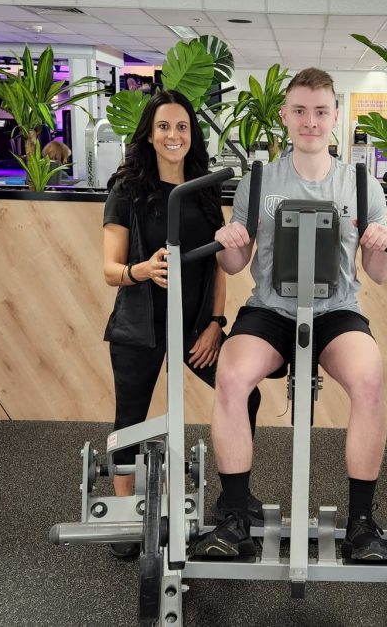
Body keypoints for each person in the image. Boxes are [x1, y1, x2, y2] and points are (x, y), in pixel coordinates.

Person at [189, 68, 387, 562]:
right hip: (270, 310)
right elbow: (234, 263)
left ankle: (361, 524)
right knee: (230, 375)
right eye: (301, 111)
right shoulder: (260, 179)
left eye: (321, 111)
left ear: (336, 117)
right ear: (286, 116)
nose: (310, 121)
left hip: (335, 312)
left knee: (370, 379)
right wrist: (228, 241)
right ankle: (234, 521)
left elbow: (378, 273)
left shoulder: (360, 182)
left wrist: (382, 245)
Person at [101, 90, 263, 557]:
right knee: (129, 419)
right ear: (149, 135)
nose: (174, 135)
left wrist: (216, 322)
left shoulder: (205, 187)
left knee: (246, 393)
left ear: (192, 136)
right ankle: (125, 514)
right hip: (141, 323)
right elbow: (109, 269)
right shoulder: (127, 190)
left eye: (182, 127)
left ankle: (233, 497)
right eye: (165, 127)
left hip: (195, 325)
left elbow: (217, 264)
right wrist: (141, 270)